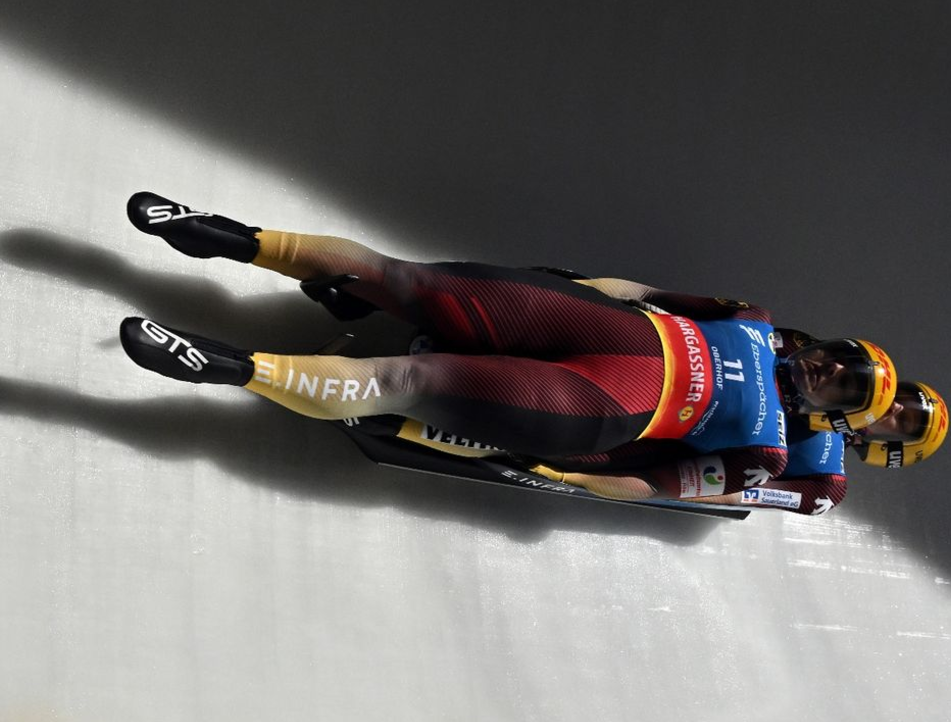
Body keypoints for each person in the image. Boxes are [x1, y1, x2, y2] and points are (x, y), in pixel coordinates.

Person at [119, 192, 898, 507]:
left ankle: (224, 364)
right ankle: (231, 235)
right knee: (407, 278)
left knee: (409, 377)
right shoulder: (751, 318)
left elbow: (659, 484)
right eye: (841, 354)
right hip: (604, 325)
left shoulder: (762, 450)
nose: (831, 368)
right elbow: (643, 293)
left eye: (843, 385)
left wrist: (568, 476)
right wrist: (571, 284)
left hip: (606, 407)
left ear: (831, 413)